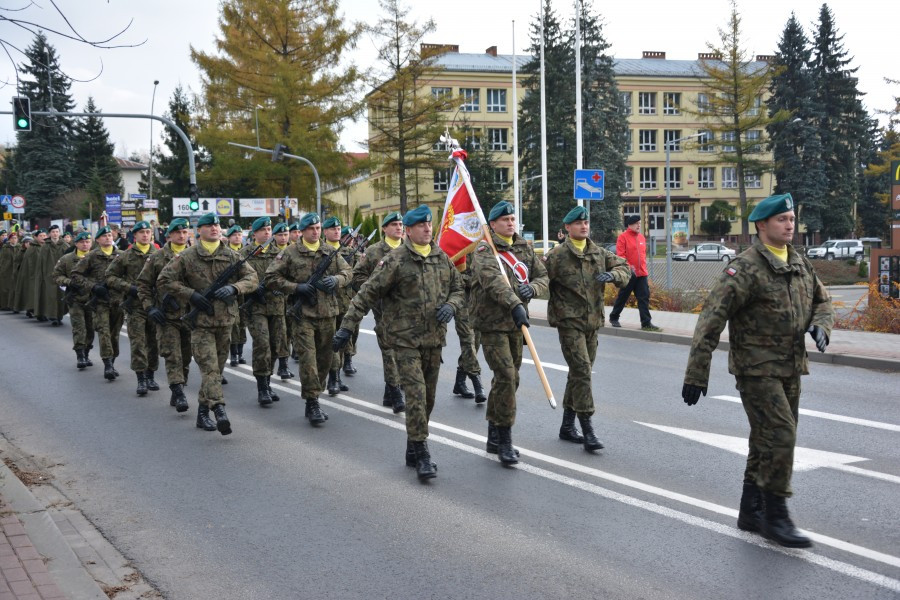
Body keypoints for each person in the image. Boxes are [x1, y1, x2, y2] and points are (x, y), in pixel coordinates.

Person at [681, 193, 833, 548]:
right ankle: (776, 516)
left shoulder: (798, 262)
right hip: (756, 369)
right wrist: (696, 373)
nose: (790, 225)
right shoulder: (745, 267)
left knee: (765, 439)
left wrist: (822, 325)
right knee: (780, 434)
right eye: (782, 219)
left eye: (792, 218)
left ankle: (751, 510)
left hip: (791, 366)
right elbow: (710, 320)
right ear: (761, 225)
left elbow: (822, 301)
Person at [334, 205, 464, 481]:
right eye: (421, 226)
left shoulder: (441, 257)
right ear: (408, 230)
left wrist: (452, 305)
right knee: (415, 395)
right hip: (404, 340)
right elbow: (367, 293)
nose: (428, 229)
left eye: (430, 225)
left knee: (427, 398)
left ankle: (411, 445)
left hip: (434, 339)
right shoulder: (395, 260)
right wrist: (346, 327)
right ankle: (422, 451)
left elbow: (458, 288)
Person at [157, 213, 258, 435]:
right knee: (210, 368)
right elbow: (164, 280)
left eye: (217, 225)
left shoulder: (232, 256)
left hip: (225, 322)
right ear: (199, 230)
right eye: (209, 225)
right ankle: (219, 409)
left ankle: (202, 413)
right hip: (200, 323)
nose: (214, 228)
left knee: (216, 369)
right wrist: (191, 295)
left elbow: (252, 278)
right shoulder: (187, 256)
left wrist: (235, 288)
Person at [543, 206, 630, 452]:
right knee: (582, 370)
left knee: (579, 372)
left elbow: (626, 268)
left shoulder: (598, 253)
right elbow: (539, 279)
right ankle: (588, 426)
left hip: (592, 323)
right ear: (567, 228)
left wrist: (614, 276)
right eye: (578, 223)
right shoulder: (557, 256)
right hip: (568, 323)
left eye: (586, 222)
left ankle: (567, 426)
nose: (584, 226)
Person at [469, 201, 548, 464]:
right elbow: (492, 281)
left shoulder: (524, 247)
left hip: (516, 322)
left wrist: (533, 290)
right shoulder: (483, 249)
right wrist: (515, 302)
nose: (510, 223)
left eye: (512, 218)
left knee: (510, 381)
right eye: (505, 220)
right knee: (505, 375)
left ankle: (493, 432)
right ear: (492, 224)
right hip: (492, 322)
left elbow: (542, 276)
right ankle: (504, 439)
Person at [264, 212, 351, 426]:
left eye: (318, 228)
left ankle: (315, 394)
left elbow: (349, 272)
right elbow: (270, 277)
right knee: (308, 361)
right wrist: (296, 288)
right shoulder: (290, 252)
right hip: (302, 315)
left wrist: (336, 280)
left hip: (328, 314)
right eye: (311, 229)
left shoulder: (330, 251)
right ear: (302, 231)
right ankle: (312, 402)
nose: (315, 232)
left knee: (325, 359)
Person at [350, 212, 405, 412]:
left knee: (403, 351)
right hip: (384, 310)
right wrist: (376, 291)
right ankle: (396, 391)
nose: (399, 228)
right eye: (394, 225)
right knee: (389, 350)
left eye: (401, 224)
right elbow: (356, 276)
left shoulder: (410, 249)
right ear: (384, 229)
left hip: (408, 312)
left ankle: (388, 392)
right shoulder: (374, 251)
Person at [136, 218, 193, 412]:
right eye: (177, 232)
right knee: (172, 355)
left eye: (185, 232)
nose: (182, 235)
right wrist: (150, 307)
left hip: (191, 314)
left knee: (186, 356)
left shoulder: (195, 255)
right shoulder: (158, 257)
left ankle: (180, 386)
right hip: (166, 315)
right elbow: (143, 284)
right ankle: (178, 392)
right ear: (169, 235)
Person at [106, 221, 160, 396]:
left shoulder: (159, 254)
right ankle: (141, 378)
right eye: (142, 232)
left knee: (153, 342)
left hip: (154, 305)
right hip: (135, 305)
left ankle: (151, 374)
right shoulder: (125, 256)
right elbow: (110, 276)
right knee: (138, 342)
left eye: (148, 232)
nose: (145, 235)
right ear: (134, 235)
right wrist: (129, 288)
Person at [241, 216, 291, 405]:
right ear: (255, 234)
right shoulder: (246, 254)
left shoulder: (280, 254)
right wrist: (252, 290)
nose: (267, 233)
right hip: (255, 307)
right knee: (262, 344)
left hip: (277, 306)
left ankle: (268, 382)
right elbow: (238, 280)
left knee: (276, 346)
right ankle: (262, 387)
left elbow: (288, 277)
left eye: (269, 230)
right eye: (263, 230)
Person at [71, 226, 124, 380]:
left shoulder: (121, 255)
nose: (108, 238)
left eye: (109, 235)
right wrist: (93, 286)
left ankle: (112, 361)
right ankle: (107, 364)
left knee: (114, 335)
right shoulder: (92, 256)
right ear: (98, 240)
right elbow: (75, 275)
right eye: (104, 236)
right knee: (104, 332)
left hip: (118, 301)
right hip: (100, 302)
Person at [609, 215, 661, 332]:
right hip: (629, 274)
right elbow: (621, 255)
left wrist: (643, 268)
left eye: (640, 223)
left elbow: (643, 255)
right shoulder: (623, 237)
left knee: (644, 298)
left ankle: (646, 323)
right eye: (637, 223)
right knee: (623, 296)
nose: (639, 225)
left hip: (642, 274)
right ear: (630, 224)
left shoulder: (642, 238)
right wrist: (628, 267)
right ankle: (614, 317)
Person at [54, 231, 95, 369]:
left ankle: (87, 352)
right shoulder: (66, 259)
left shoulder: (96, 257)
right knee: (79, 328)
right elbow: (56, 276)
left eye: (88, 242)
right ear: (76, 243)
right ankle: (80, 356)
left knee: (90, 328)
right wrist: (69, 282)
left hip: (93, 299)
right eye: (82, 242)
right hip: (75, 298)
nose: (85, 244)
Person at [322, 216, 351, 396]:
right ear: (325, 232)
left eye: (339, 228)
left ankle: (338, 376)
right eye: (333, 229)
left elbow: (352, 273)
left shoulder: (347, 251)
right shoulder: (321, 251)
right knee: (331, 342)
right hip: (325, 304)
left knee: (342, 341)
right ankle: (332, 378)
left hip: (344, 301)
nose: (337, 231)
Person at [224, 223, 248, 367]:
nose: (238, 237)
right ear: (229, 237)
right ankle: (233, 354)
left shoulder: (246, 253)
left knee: (243, 323)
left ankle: (240, 352)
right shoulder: (225, 253)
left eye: (239, 235)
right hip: (230, 292)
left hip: (243, 292)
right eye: (234, 235)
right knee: (233, 324)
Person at [35, 224, 69, 325]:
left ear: (60, 233)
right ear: (50, 234)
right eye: (53, 232)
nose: (55, 234)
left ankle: (59, 316)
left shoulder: (65, 246)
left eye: (57, 232)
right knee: (51, 296)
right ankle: (53, 316)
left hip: (62, 276)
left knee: (61, 296)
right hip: (48, 275)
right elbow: (40, 263)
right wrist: (41, 276)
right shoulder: (45, 246)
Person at [0, 231, 18, 310]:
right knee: (5, 289)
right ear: (9, 239)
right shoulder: (5, 248)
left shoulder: (19, 247)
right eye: (12, 238)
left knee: (15, 289)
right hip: (6, 271)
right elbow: (2, 259)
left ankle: (14, 305)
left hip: (16, 271)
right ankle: (5, 305)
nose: (14, 240)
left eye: (15, 238)